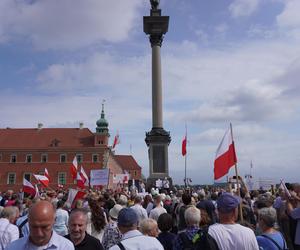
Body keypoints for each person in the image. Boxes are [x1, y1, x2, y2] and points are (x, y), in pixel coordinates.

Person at [5, 200, 74, 250]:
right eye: (34, 227)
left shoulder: (66, 247)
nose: (39, 233)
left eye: (44, 227)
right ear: (28, 221)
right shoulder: (13, 247)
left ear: (54, 221)